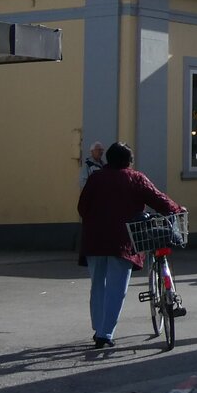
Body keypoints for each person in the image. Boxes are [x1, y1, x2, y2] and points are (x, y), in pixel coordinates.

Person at [77, 142, 182, 348]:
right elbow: (158, 199)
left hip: (94, 240)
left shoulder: (95, 178)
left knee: (98, 285)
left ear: (108, 159)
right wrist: (177, 209)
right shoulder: (135, 178)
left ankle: (98, 328)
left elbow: (82, 207)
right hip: (123, 241)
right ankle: (105, 333)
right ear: (129, 161)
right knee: (116, 288)